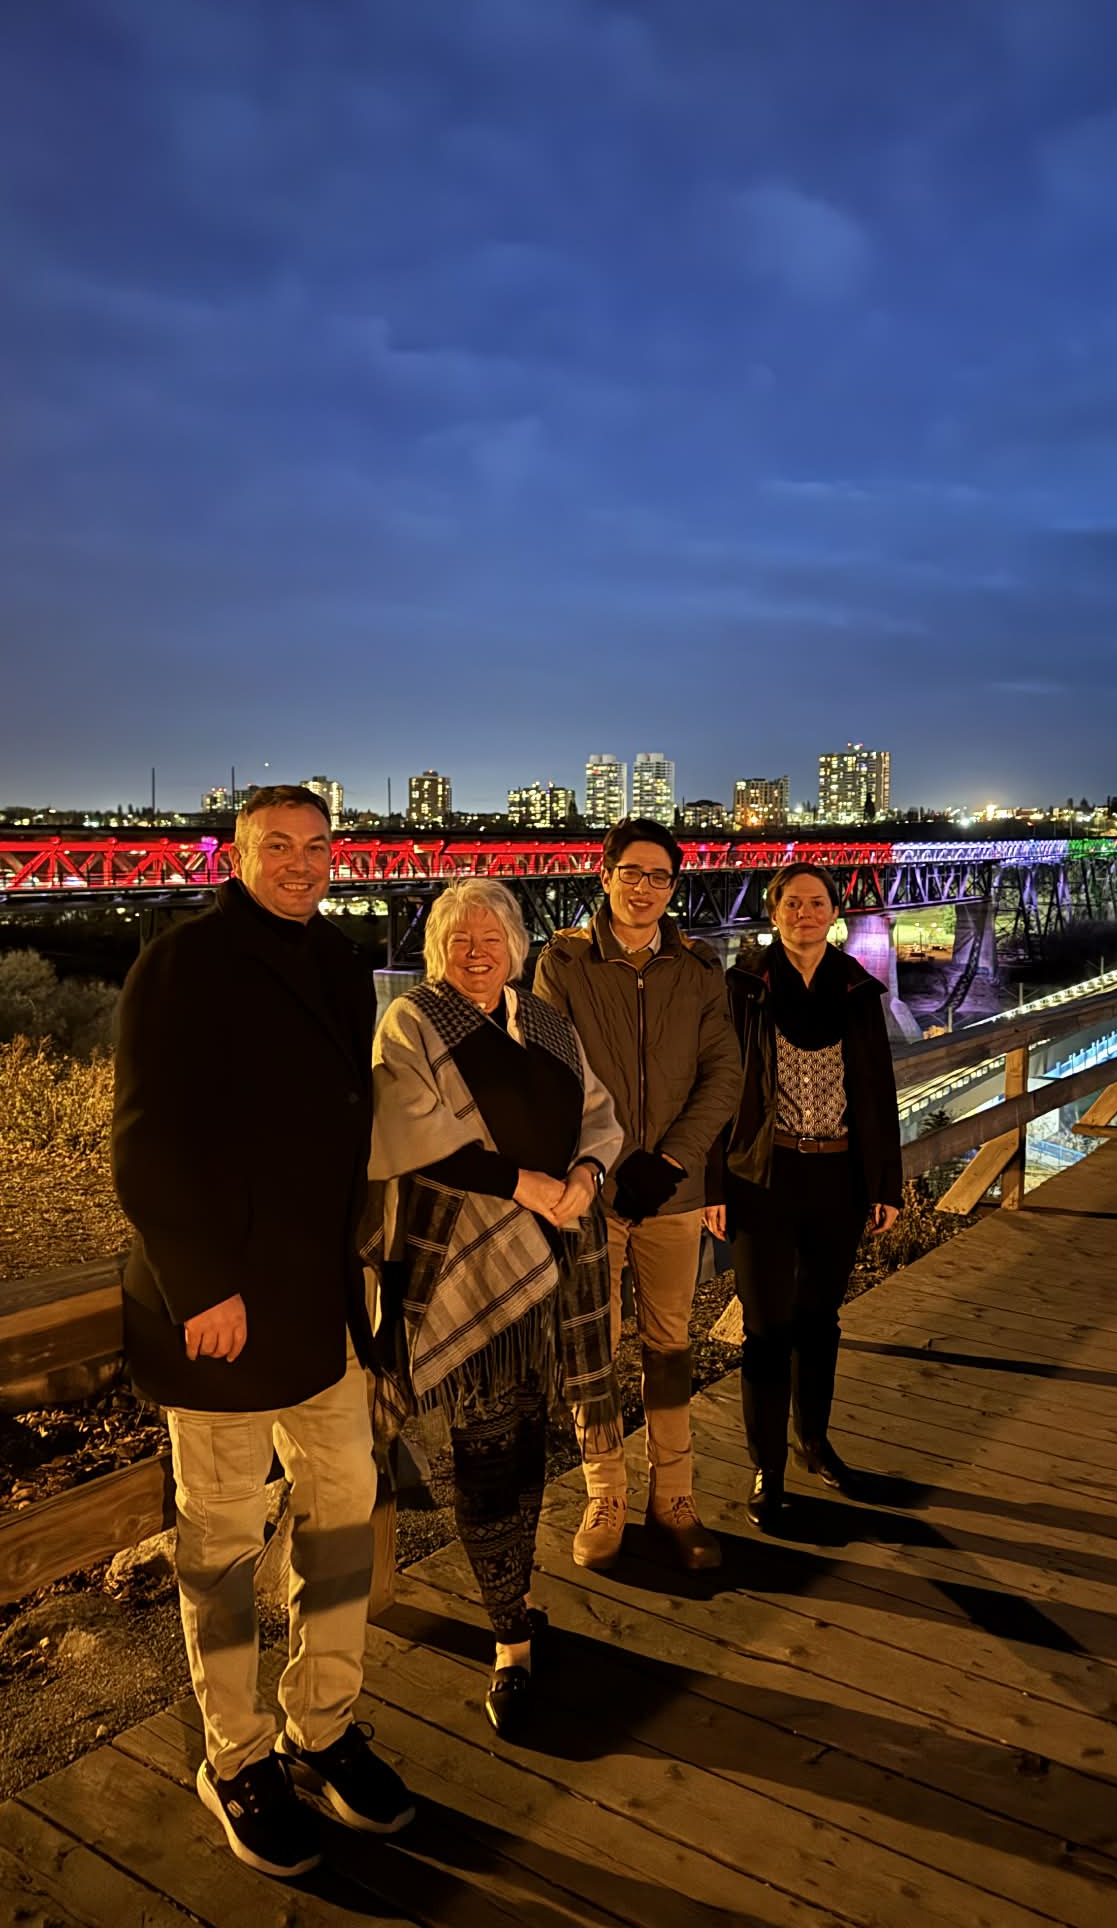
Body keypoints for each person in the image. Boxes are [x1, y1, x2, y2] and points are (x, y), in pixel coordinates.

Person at [112, 785, 414, 1881]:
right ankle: (235, 1756)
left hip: (321, 1310)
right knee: (225, 1549)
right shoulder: (181, 963)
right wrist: (201, 1288)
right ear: (235, 854)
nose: (300, 862)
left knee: (341, 1522)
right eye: (276, 845)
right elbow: (147, 1142)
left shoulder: (337, 960)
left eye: (317, 845)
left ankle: (320, 1727)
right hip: (223, 1318)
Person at [364, 878, 622, 1737]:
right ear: (437, 949)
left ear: (517, 945)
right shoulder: (413, 1021)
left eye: (492, 939)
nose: (477, 954)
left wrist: (585, 1173)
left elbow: (598, 1112)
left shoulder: (543, 1020)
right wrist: (526, 1185)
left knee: (531, 1439)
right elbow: (413, 1132)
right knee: (484, 1451)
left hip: (555, 1260)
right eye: (460, 940)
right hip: (464, 1268)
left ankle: (517, 1596)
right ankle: (510, 1637)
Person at [534, 817, 742, 1573]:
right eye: (633, 872)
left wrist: (674, 1161)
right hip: (590, 1191)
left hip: (672, 1194)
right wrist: (604, 1164)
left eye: (660, 876)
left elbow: (724, 1074)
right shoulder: (564, 963)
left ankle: (674, 1498)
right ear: (605, 875)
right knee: (593, 1348)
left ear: (673, 887)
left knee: (670, 1344)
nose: (646, 888)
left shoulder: (699, 967)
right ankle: (605, 1495)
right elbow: (551, 1074)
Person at [705, 864, 903, 1530]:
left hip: (839, 1177)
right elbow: (717, 1087)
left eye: (817, 903)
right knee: (765, 1328)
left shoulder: (856, 988)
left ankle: (814, 1444)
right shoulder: (743, 987)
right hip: (763, 1176)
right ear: (774, 912)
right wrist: (712, 1184)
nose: (805, 913)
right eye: (792, 903)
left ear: (835, 913)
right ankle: (768, 1467)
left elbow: (878, 1088)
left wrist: (886, 1183)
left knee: (820, 1320)